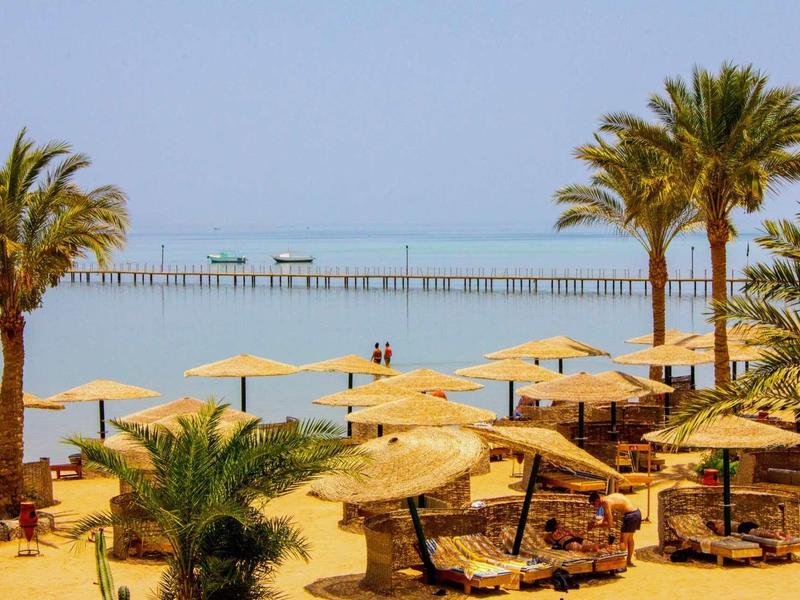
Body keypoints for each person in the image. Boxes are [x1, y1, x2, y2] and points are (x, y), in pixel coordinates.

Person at [587, 491, 641, 566]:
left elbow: (609, 524)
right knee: (630, 539)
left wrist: (595, 526)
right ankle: (628, 561)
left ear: (597, 500)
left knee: (623, 540)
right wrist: (597, 523)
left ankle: (621, 562)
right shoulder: (607, 498)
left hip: (630, 516)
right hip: (636, 513)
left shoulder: (605, 503)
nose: (594, 506)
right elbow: (606, 517)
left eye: (593, 504)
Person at [543, 518, 621, 554]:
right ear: (555, 525)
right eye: (558, 523)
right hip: (572, 540)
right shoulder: (558, 532)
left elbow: (548, 542)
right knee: (589, 546)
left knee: (585, 548)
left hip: (569, 542)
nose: (559, 524)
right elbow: (578, 534)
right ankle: (603, 547)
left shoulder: (550, 535)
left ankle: (599, 548)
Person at [706, 519, 792, 540]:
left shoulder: (719, 530)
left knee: (759, 533)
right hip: (744, 524)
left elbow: (729, 534)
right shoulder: (723, 522)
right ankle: (783, 534)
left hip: (742, 528)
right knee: (762, 530)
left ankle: (777, 536)